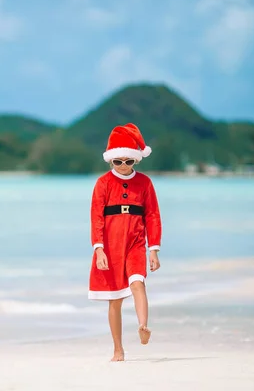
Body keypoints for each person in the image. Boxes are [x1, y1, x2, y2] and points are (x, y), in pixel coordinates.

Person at [88, 122, 162, 362]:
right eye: (117, 161)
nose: (122, 166)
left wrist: (154, 250)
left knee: (138, 283)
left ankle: (143, 326)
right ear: (110, 161)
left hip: (136, 243)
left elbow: (152, 216)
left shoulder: (145, 183)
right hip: (110, 246)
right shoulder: (103, 183)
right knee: (115, 300)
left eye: (128, 161)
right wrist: (98, 248)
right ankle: (118, 349)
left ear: (136, 161)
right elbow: (96, 217)